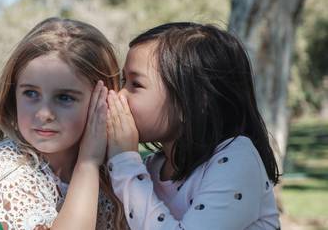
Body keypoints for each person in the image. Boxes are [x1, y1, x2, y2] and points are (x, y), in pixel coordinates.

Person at [0, 17, 127, 230]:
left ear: (103, 101)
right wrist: (87, 164)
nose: (44, 114)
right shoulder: (7, 167)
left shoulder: (114, 171)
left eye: (64, 97)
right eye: (31, 93)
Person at [105, 22, 281, 229]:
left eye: (136, 84)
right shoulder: (152, 167)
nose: (119, 95)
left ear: (191, 102)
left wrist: (125, 162)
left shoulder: (237, 158)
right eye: (123, 80)